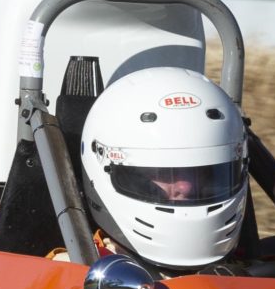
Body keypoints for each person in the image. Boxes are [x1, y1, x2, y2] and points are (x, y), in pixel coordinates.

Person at [75, 65, 251, 273]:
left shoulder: (255, 268)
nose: (185, 186)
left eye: (205, 172)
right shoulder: (71, 271)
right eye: (165, 174)